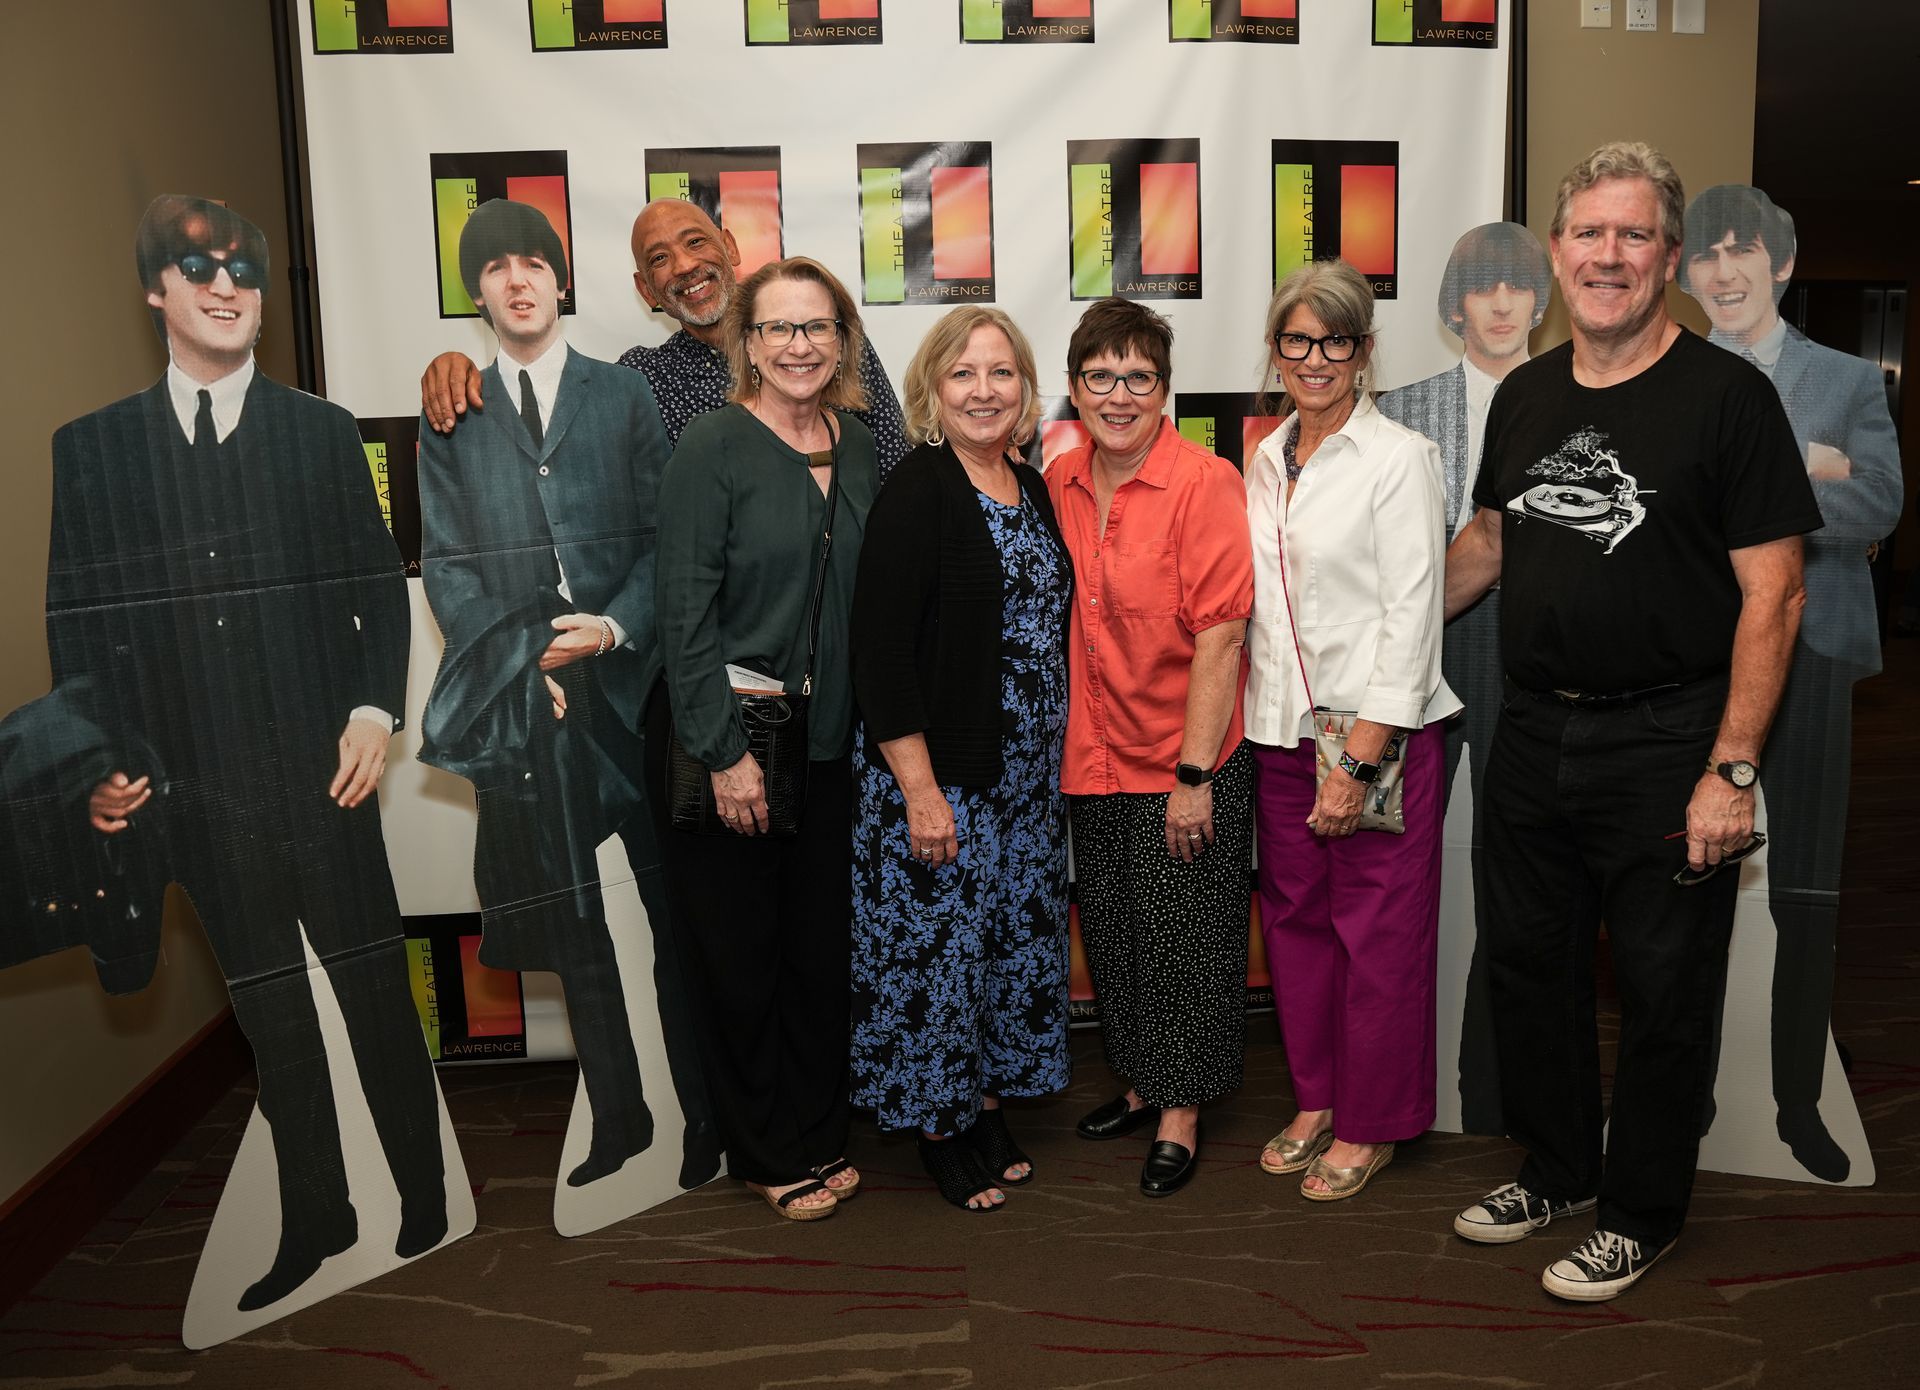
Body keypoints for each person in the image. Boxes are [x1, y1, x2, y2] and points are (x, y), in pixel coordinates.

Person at [47, 195, 446, 1312]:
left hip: (327, 776)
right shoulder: (92, 452)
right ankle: (322, 1216)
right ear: (155, 290)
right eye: (199, 267)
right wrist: (104, 759)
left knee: (372, 990)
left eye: (245, 271)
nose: (227, 287)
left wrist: (377, 710)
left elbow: (375, 582)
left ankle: (427, 1194)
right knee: (274, 1018)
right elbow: (76, 627)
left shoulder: (321, 432)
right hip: (196, 795)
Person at [1444, 142, 1821, 1300]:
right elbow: (1492, 545)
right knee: (1530, 968)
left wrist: (1733, 771)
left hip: (1670, 742)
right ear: (1557, 256)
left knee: (1664, 992)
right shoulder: (1527, 394)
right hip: (1533, 732)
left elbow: (1778, 591)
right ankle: (1558, 1166)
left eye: (1634, 235)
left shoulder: (1729, 399)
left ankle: (1641, 1210)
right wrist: (1361, 622)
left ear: (1667, 258)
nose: (1609, 256)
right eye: (1589, 235)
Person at [414, 199, 713, 1196]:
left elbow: (664, 538)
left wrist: (617, 627)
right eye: (494, 266)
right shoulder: (451, 413)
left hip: (634, 692)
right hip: (532, 704)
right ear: (479, 292)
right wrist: (516, 666)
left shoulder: (622, 394)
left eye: (533, 259)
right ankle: (622, 1121)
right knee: (576, 924)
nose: (517, 278)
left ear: (560, 277)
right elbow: (449, 568)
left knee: (676, 914)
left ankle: (702, 1120)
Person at [646, 256, 878, 1220]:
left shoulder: (859, 444)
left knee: (820, 954)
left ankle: (822, 1131)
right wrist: (722, 752)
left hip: (827, 743)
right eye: (778, 328)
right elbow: (682, 613)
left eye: (816, 327)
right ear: (746, 343)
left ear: (842, 338)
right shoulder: (710, 446)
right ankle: (767, 1149)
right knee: (738, 960)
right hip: (729, 737)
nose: (799, 346)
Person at [1681, 184, 1903, 1182]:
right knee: (1687, 885)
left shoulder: (1847, 378)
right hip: (1695, 658)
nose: (1724, 273)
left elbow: (1882, 507)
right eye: (1705, 257)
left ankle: (1798, 1104)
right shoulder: (1669, 374)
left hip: (1811, 650)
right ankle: (1690, 1098)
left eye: (1742, 252)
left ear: (1781, 262)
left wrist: (1786, 474)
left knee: (1804, 887)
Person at [848, 307, 1072, 1212]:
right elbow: (880, 652)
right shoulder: (920, 489)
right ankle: (939, 1126)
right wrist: (921, 791)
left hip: (1022, 784)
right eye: (964, 375)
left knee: (1004, 950)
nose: (985, 391)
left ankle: (978, 1100)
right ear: (932, 392)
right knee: (938, 959)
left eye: (1002, 373)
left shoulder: (1032, 483)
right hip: (942, 781)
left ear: (1025, 389)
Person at [1246, 260, 1461, 1200]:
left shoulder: (1400, 458)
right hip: (1282, 730)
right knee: (1295, 925)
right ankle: (1316, 1096)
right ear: (1277, 351)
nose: (1315, 358)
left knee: (1377, 934)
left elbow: (1412, 617)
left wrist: (1362, 757)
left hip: (1381, 736)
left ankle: (1372, 1121)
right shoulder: (1262, 458)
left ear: (1365, 351)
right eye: (1297, 340)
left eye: (1336, 341)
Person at [1047, 298, 1255, 1198]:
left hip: (1184, 756)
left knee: (1188, 941)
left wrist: (1195, 775)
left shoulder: (1205, 482)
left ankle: (1182, 1109)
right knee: (1119, 935)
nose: (1119, 394)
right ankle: (1140, 1082)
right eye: (1101, 377)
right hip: (1091, 756)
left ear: (1165, 391)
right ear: (1074, 388)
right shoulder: (1056, 478)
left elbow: (1221, 634)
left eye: (1138, 377)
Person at [1379, 221, 1552, 1135]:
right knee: (1392, 868)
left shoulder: (1571, 398)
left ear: (1539, 299)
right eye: (1481, 287)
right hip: (1426, 653)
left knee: (1516, 873)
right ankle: (1401, 1078)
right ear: (1455, 305)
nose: (1499, 303)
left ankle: (1488, 1085)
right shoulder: (1404, 409)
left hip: (1532, 654)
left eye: (1516, 286)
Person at [420, 198, 910, 476]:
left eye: (695, 242)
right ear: (645, 289)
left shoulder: (823, 342)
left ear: (730, 246)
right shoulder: (645, 377)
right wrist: (462, 368)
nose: (685, 266)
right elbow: (552, 427)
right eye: (659, 259)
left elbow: (896, 470)